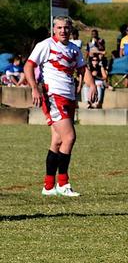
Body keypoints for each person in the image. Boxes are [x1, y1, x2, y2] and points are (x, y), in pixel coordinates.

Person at [24, 15, 97, 197]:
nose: (63, 31)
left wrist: (92, 84)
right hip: (53, 96)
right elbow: (28, 66)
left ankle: (49, 187)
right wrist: (34, 88)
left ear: (71, 30)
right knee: (69, 137)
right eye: (59, 28)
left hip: (69, 97)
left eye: (66, 28)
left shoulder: (74, 49)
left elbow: (83, 69)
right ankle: (63, 184)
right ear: (53, 29)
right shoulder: (45, 45)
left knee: (57, 141)